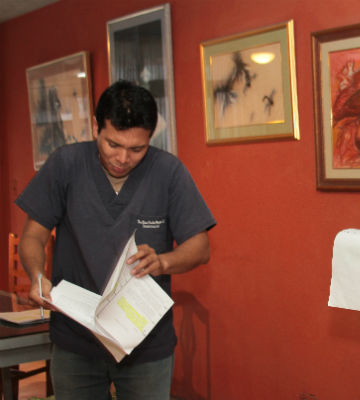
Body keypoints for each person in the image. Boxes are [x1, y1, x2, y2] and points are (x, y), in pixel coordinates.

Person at [16, 80, 216, 400]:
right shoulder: (66, 165)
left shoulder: (168, 172)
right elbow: (32, 237)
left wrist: (164, 261)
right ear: (96, 126)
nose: (122, 158)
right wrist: (36, 276)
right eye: (112, 144)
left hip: (145, 345)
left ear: (151, 137)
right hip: (76, 343)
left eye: (137, 148)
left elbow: (200, 247)